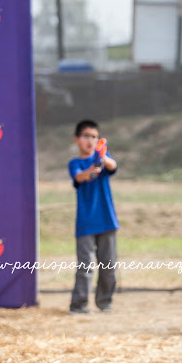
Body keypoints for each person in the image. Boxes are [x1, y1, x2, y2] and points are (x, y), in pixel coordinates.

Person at [68, 119, 119, 314]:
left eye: (94, 137)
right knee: (85, 267)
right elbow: (79, 177)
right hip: (85, 224)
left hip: (107, 221)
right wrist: (90, 171)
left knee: (108, 266)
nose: (90, 140)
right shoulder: (75, 163)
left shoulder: (103, 158)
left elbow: (113, 166)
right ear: (76, 139)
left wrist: (103, 157)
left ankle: (105, 302)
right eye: (86, 136)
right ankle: (78, 305)